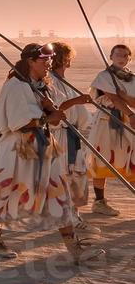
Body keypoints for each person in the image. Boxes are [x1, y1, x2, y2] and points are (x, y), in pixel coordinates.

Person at [0, 43, 97, 263]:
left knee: (58, 193)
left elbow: (50, 110)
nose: (49, 64)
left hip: (42, 146)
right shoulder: (16, 86)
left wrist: (49, 108)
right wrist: (46, 118)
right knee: (8, 194)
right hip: (18, 150)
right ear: (31, 61)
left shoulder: (38, 85)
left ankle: (74, 249)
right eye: (44, 61)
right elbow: (16, 122)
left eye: (50, 60)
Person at [88, 43, 135, 218]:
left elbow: (131, 101)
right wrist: (129, 112)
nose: (122, 58)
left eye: (125, 55)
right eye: (118, 55)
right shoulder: (104, 76)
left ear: (129, 58)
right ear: (111, 56)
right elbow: (113, 98)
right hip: (106, 120)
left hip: (127, 120)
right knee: (102, 158)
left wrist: (125, 99)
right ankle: (99, 202)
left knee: (132, 157)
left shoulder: (131, 78)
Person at [50, 42, 94, 212]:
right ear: (62, 59)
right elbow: (54, 108)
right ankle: (65, 215)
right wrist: (77, 100)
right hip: (60, 134)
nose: (70, 61)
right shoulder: (51, 81)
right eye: (68, 57)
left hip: (72, 133)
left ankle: (73, 214)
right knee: (64, 174)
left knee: (76, 174)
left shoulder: (62, 81)